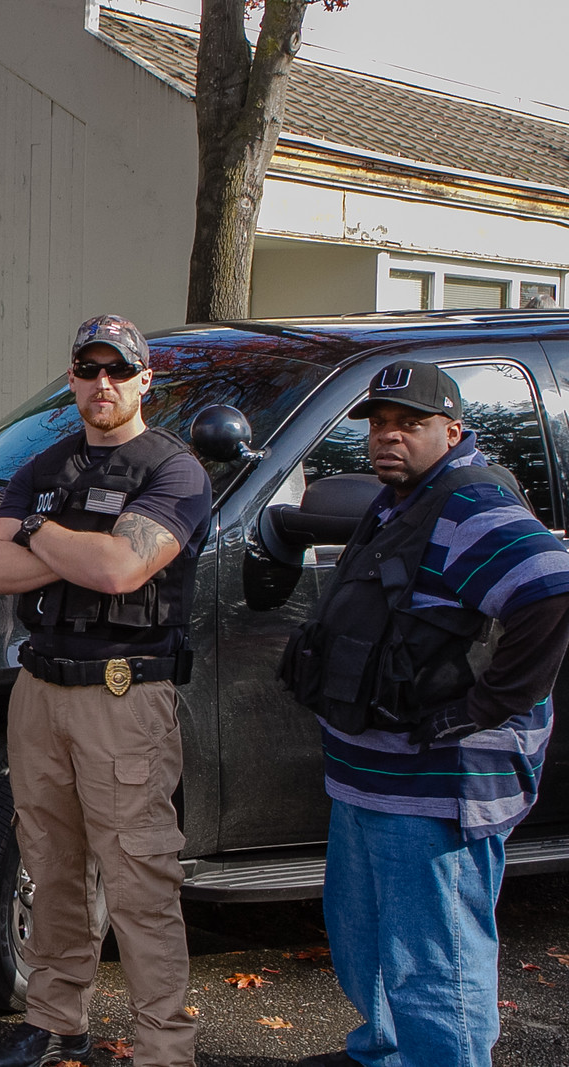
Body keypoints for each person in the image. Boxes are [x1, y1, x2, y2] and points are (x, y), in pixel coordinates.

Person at [280, 362, 569, 1067]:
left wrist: (487, 703)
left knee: (434, 964)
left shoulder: (468, 504)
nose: (388, 437)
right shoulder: (404, 499)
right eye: (379, 423)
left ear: (452, 429)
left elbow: (551, 588)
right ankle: (384, 1053)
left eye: (409, 424)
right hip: (375, 777)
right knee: (369, 938)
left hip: (434, 787)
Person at [0, 315, 211, 1067]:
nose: (102, 383)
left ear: (144, 380)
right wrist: (76, 542)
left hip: (124, 695)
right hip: (40, 689)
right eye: (88, 368)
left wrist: (38, 533)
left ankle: (163, 1046)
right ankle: (55, 1018)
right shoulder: (47, 466)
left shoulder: (174, 471)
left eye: (118, 370)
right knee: (50, 863)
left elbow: (118, 571)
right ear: (72, 377)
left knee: (139, 875)